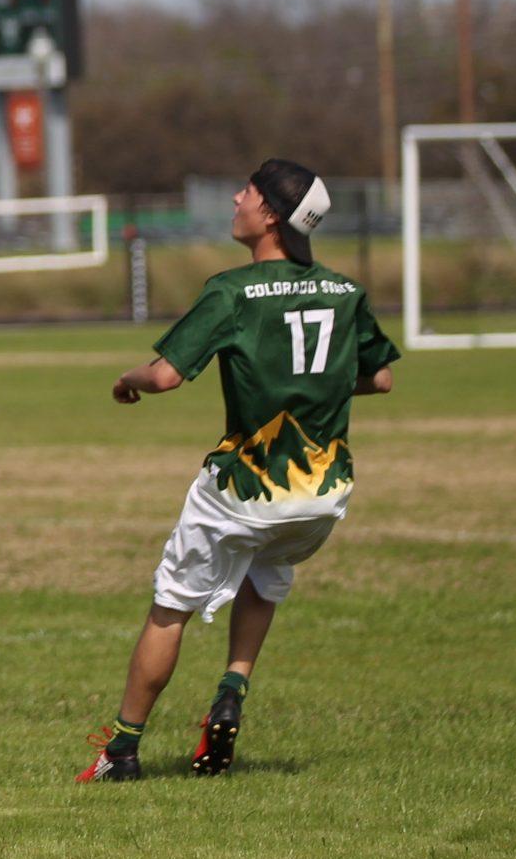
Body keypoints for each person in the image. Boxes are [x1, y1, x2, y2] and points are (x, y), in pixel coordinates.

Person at [78, 161, 400, 782]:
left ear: (272, 215)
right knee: (265, 573)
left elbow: (167, 375)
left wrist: (129, 380)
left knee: (170, 604)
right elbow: (380, 378)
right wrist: (314, 389)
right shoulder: (344, 291)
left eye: (247, 191)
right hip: (322, 498)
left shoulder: (232, 291)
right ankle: (232, 688)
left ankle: (120, 750)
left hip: (246, 489)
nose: (235, 197)